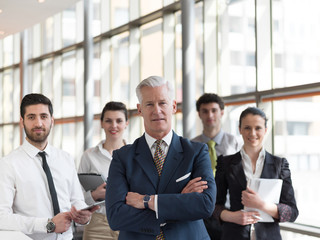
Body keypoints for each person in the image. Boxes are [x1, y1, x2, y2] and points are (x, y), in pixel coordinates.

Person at [105, 76, 216, 240]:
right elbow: (116, 217)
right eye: (149, 104)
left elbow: (205, 205)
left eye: (162, 103)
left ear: (173, 106)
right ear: (140, 109)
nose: (157, 110)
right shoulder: (122, 157)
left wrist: (147, 201)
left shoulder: (196, 152)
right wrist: (180, 203)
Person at [0, 93, 98, 240]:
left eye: (44, 117)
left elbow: (76, 200)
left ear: (52, 121)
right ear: (22, 121)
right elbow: (2, 218)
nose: (38, 123)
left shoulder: (66, 159)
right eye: (31, 117)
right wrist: (48, 225)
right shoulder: (8, 164)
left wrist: (83, 216)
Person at [213, 107, 299, 240]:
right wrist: (232, 216)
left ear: (265, 130)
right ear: (240, 129)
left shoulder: (280, 164)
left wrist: (262, 205)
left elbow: (292, 212)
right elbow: (213, 206)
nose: (252, 133)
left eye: (258, 128)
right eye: (247, 128)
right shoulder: (226, 163)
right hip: (233, 235)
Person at [192, 93, 241, 240]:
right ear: (199, 114)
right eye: (205, 111)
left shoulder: (236, 144)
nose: (210, 115)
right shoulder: (191, 146)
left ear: (222, 112)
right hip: (201, 213)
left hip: (229, 212)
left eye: (214, 110)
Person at [78, 101, 129, 240]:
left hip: (127, 222)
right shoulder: (89, 156)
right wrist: (94, 195)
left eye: (119, 121)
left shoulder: (135, 155)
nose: (114, 126)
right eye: (108, 121)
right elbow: (76, 197)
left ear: (126, 123)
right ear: (101, 123)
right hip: (97, 225)